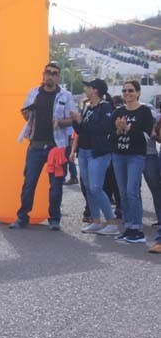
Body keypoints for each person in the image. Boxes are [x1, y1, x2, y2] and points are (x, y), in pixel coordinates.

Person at [10, 62, 79, 231]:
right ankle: (22, 217)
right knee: (29, 183)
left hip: (57, 146)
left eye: (54, 73)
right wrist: (26, 115)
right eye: (48, 72)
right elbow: (27, 115)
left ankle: (54, 219)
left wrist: (61, 122)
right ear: (43, 74)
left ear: (58, 77)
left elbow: (75, 118)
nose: (51, 75)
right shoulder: (34, 93)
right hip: (35, 145)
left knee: (56, 185)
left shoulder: (65, 96)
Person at [66, 79, 119, 235]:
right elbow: (82, 129)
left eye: (88, 87)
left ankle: (111, 222)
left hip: (98, 152)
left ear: (95, 90)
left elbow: (103, 129)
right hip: (84, 151)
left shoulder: (106, 107)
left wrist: (81, 121)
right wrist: (76, 121)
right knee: (89, 188)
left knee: (96, 188)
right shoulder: (88, 107)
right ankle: (95, 221)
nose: (85, 89)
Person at [110, 80, 154, 243]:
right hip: (118, 155)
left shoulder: (144, 111)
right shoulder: (118, 111)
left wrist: (128, 129)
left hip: (135, 156)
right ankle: (128, 226)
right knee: (122, 193)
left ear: (138, 93)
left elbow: (146, 136)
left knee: (131, 191)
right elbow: (110, 136)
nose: (127, 93)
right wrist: (118, 129)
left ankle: (137, 229)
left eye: (130, 90)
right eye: (124, 91)